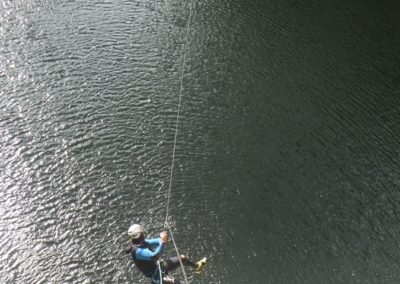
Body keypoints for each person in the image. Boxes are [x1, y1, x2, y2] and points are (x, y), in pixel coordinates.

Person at [125, 224, 207, 284]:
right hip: (156, 277)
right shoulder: (137, 251)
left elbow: (157, 241)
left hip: (159, 267)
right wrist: (163, 242)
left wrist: (162, 239)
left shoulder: (141, 242)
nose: (143, 234)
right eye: (142, 233)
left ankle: (197, 267)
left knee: (182, 258)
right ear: (138, 235)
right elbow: (155, 256)